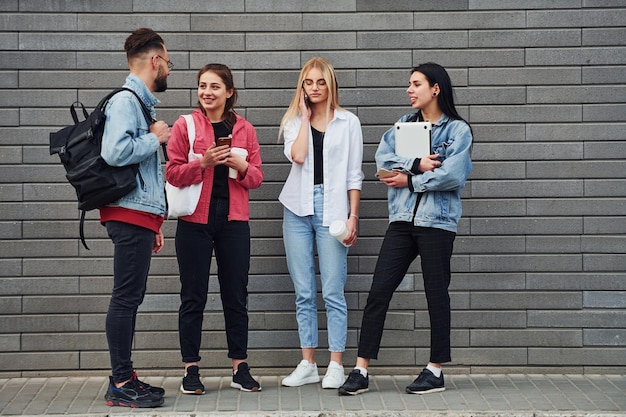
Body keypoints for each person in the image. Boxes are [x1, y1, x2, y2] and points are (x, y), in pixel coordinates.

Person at [338, 62, 473, 396]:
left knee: (435, 293)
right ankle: (361, 370)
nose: (410, 90)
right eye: (409, 84)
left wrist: (410, 179)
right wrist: (415, 164)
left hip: (436, 222)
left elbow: (453, 175)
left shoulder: (456, 131)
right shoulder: (404, 125)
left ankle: (435, 369)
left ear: (436, 88)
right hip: (401, 221)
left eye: (416, 84)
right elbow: (383, 165)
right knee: (379, 291)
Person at [166, 63, 264, 395]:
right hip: (194, 221)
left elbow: (257, 179)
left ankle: (239, 366)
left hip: (234, 221)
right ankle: (190, 369)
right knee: (193, 295)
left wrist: (242, 165)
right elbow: (172, 173)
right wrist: (202, 163)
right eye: (202, 86)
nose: (207, 92)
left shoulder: (245, 129)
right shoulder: (186, 126)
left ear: (229, 92)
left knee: (235, 294)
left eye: (215, 86)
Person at [278, 57, 364, 389]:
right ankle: (308, 363)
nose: (314, 88)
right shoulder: (292, 122)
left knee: (332, 290)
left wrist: (353, 216)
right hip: (297, 209)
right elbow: (298, 156)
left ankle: (336, 364)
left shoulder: (348, 122)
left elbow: (354, 175)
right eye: (308, 82)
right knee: (303, 291)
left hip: (334, 211)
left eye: (320, 82)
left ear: (331, 85)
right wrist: (302, 116)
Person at [99, 28, 171, 408]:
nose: (168, 71)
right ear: (155, 60)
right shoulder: (127, 101)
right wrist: (155, 138)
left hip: (137, 215)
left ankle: (125, 377)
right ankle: (120, 381)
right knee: (126, 298)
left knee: (131, 296)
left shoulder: (139, 104)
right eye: (168, 63)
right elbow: (114, 152)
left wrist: (155, 220)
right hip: (128, 213)